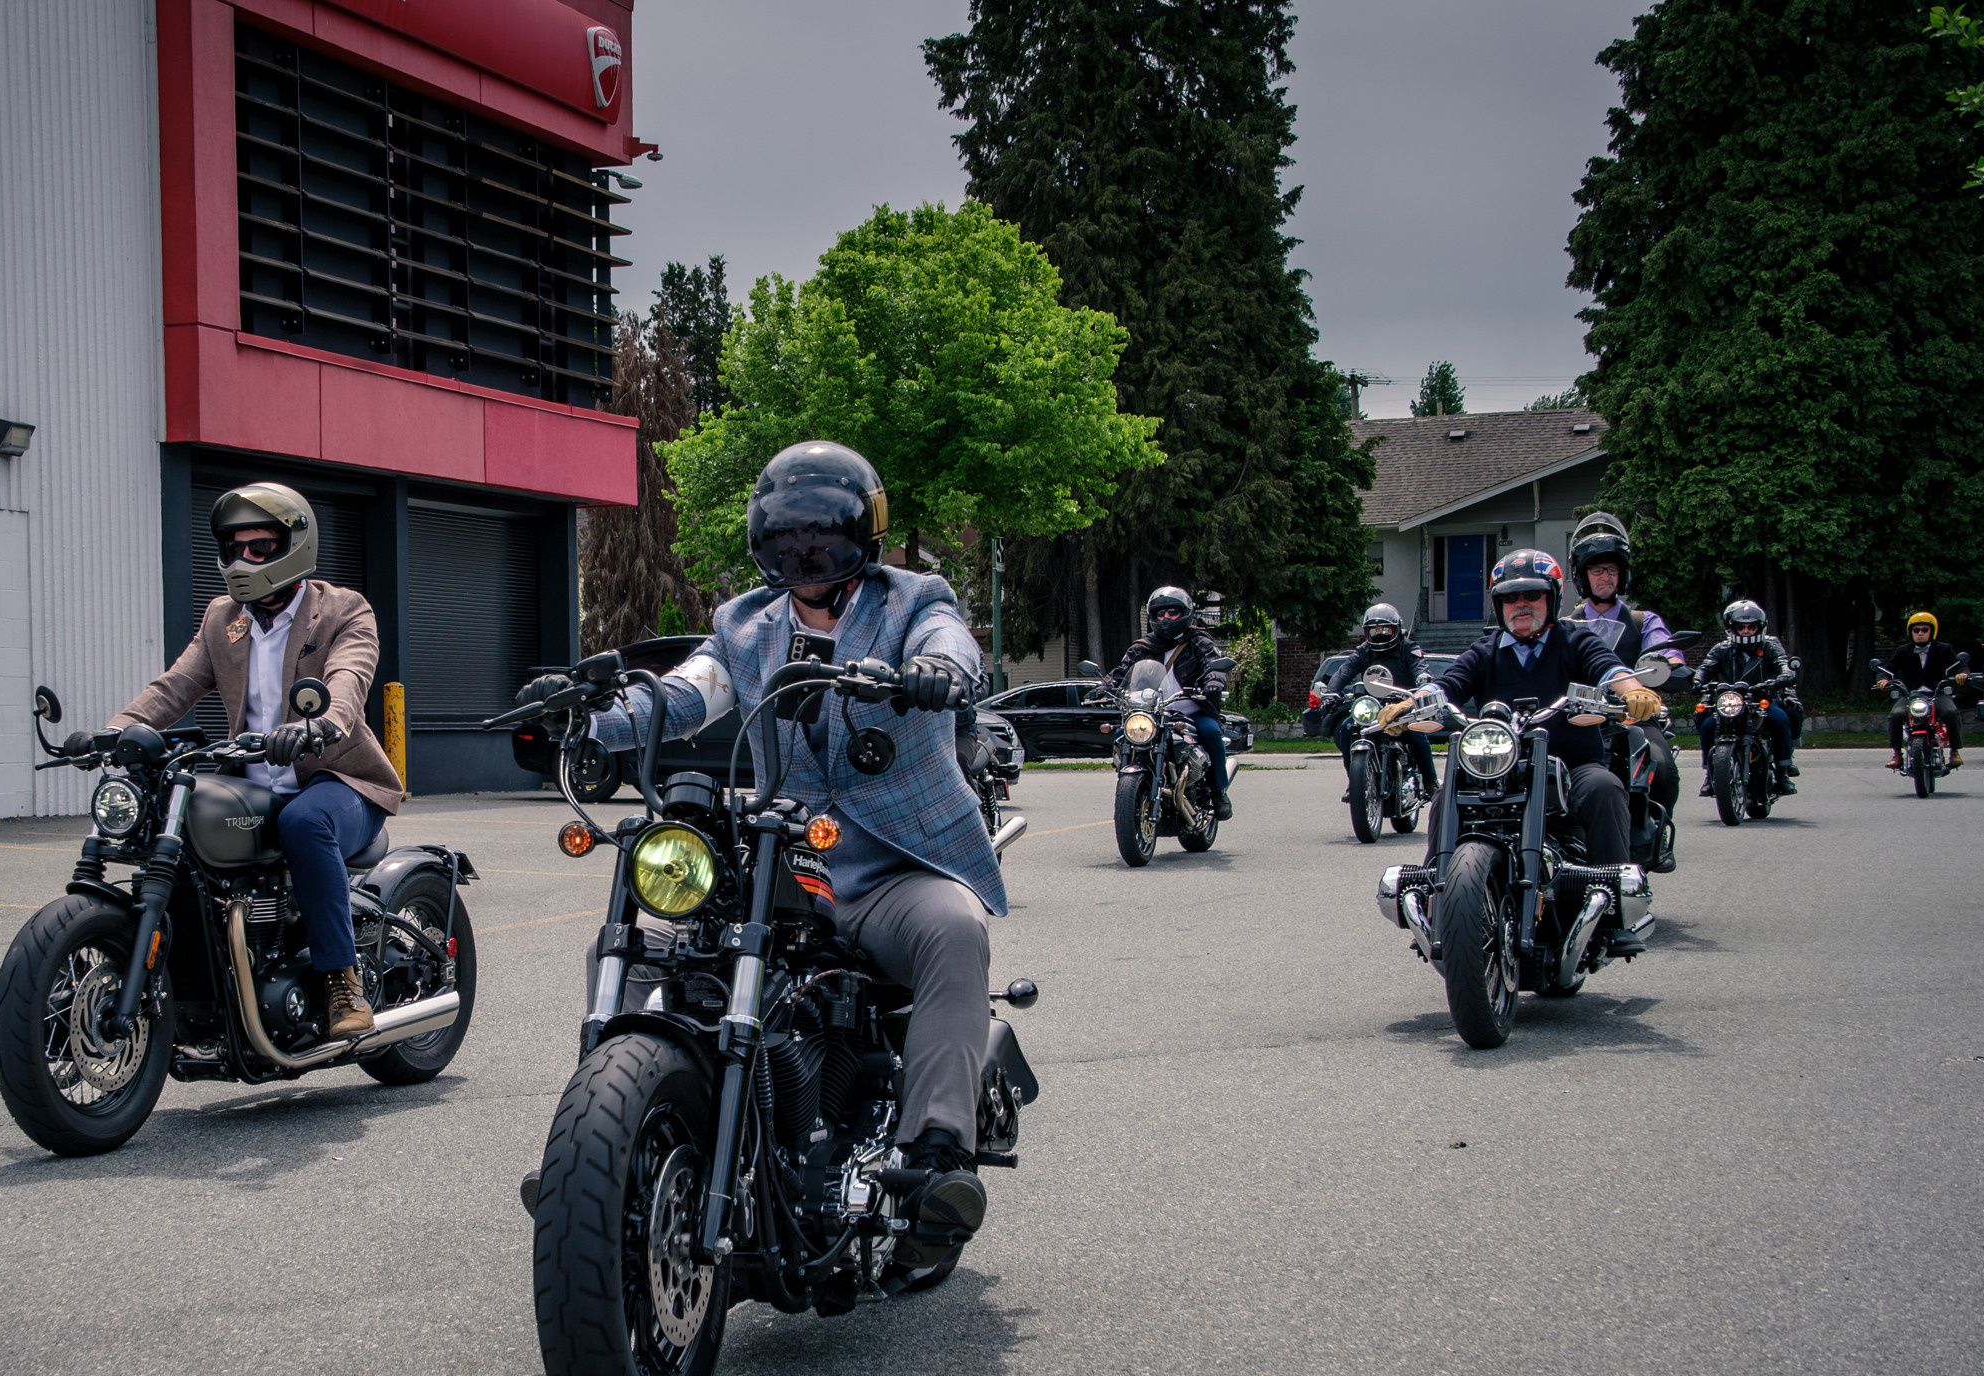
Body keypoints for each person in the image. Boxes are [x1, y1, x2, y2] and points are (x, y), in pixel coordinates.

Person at [520, 441, 997, 1268]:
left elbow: (955, 642)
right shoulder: (745, 625)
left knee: (955, 930)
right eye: (787, 541)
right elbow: (685, 691)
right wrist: (589, 715)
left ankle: (936, 1157)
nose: (804, 557)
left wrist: (933, 670)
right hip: (786, 862)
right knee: (627, 940)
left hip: (894, 864)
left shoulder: (914, 598)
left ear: (862, 538)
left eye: (821, 539)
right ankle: (603, 1151)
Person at [66, 483, 406, 1040]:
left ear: (293, 546)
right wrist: (114, 732)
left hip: (338, 780)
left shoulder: (343, 610)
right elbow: (175, 686)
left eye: (261, 546)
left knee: (305, 821)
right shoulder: (224, 619)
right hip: (252, 781)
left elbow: (349, 677)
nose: (245, 558)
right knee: (178, 819)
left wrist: (318, 725)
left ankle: (342, 980)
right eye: (235, 546)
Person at [1389, 549, 1662, 867]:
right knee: (1446, 795)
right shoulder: (1484, 652)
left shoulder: (1575, 639)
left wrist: (1633, 690)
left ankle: (1614, 894)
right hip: (1497, 770)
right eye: (1509, 597)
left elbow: (1607, 667)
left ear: (1553, 598)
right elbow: (1448, 684)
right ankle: (1439, 889)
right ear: (1498, 604)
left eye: (1533, 594)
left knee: (1605, 788)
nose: (1521, 603)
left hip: (1573, 767)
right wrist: (1410, 704)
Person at [1567, 512, 1685, 840]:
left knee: (1661, 768)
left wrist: (1669, 665)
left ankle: (1655, 834)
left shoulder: (1642, 621)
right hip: (1578, 715)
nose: (1605, 577)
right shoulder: (1566, 624)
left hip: (1633, 715)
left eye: (1612, 570)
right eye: (1596, 570)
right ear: (1582, 576)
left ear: (1623, 575)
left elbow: (1667, 654)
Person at [1107, 586, 1236, 819]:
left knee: (1212, 733)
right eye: (1160, 613)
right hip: (1151, 712)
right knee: (1120, 735)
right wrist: (1102, 687)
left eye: (1172, 612)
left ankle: (1218, 792)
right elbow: (1120, 672)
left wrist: (1214, 681)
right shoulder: (1141, 648)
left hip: (1191, 711)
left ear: (1185, 613)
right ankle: (1131, 787)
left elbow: (1212, 664)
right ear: (1152, 616)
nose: (1165, 618)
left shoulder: (1199, 643)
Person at [1330, 602, 1437, 803]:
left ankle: (1430, 782)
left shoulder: (1408, 648)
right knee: (1347, 729)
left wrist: (1423, 678)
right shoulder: (1363, 651)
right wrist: (1330, 692)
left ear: (1396, 629)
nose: (1379, 634)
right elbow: (1344, 672)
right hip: (1372, 708)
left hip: (1401, 706)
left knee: (1415, 732)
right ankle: (1354, 781)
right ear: (1366, 632)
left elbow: (1419, 666)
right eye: (1374, 630)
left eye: (1385, 629)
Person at [1695, 600, 1801, 794]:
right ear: (1731, 627)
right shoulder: (1721, 648)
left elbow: (1781, 662)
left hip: (1761, 700)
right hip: (1728, 701)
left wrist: (1784, 675)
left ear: (1759, 627)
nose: (1746, 630)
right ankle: (1711, 774)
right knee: (1708, 724)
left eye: (1751, 626)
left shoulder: (1770, 645)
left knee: (1780, 719)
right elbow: (1706, 667)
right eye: (1741, 627)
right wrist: (1697, 679)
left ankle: (1782, 772)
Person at [1885, 611, 1971, 770]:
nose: (1920, 633)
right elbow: (1888, 668)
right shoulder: (1903, 651)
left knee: (1951, 712)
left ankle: (1955, 752)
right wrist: (1883, 678)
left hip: (1937, 694)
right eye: (1916, 630)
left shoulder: (1944, 649)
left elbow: (1959, 665)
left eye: (1924, 629)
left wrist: (1962, 674)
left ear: (1932, 631)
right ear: (1911, 632)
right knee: (1896, 715)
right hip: (1911, 695)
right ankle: (1897, 754)